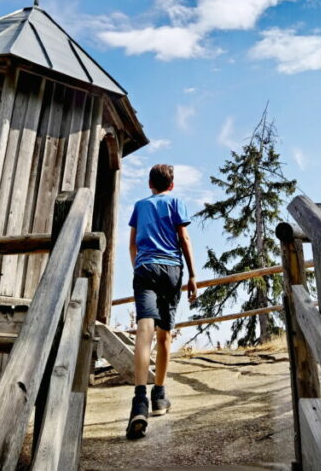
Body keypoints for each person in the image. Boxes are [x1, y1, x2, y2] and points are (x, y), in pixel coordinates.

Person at [125, 163, 198, 440]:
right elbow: (184, 238)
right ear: (172, 185)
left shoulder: (139, 206)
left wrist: (139, 266)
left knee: (145, 329)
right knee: (164, 335)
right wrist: (192, 275)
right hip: (171, 269)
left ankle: (139, 399)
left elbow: (132, 243)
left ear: (149, 184)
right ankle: (159, 396)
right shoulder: (176, 201)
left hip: (145, 268)